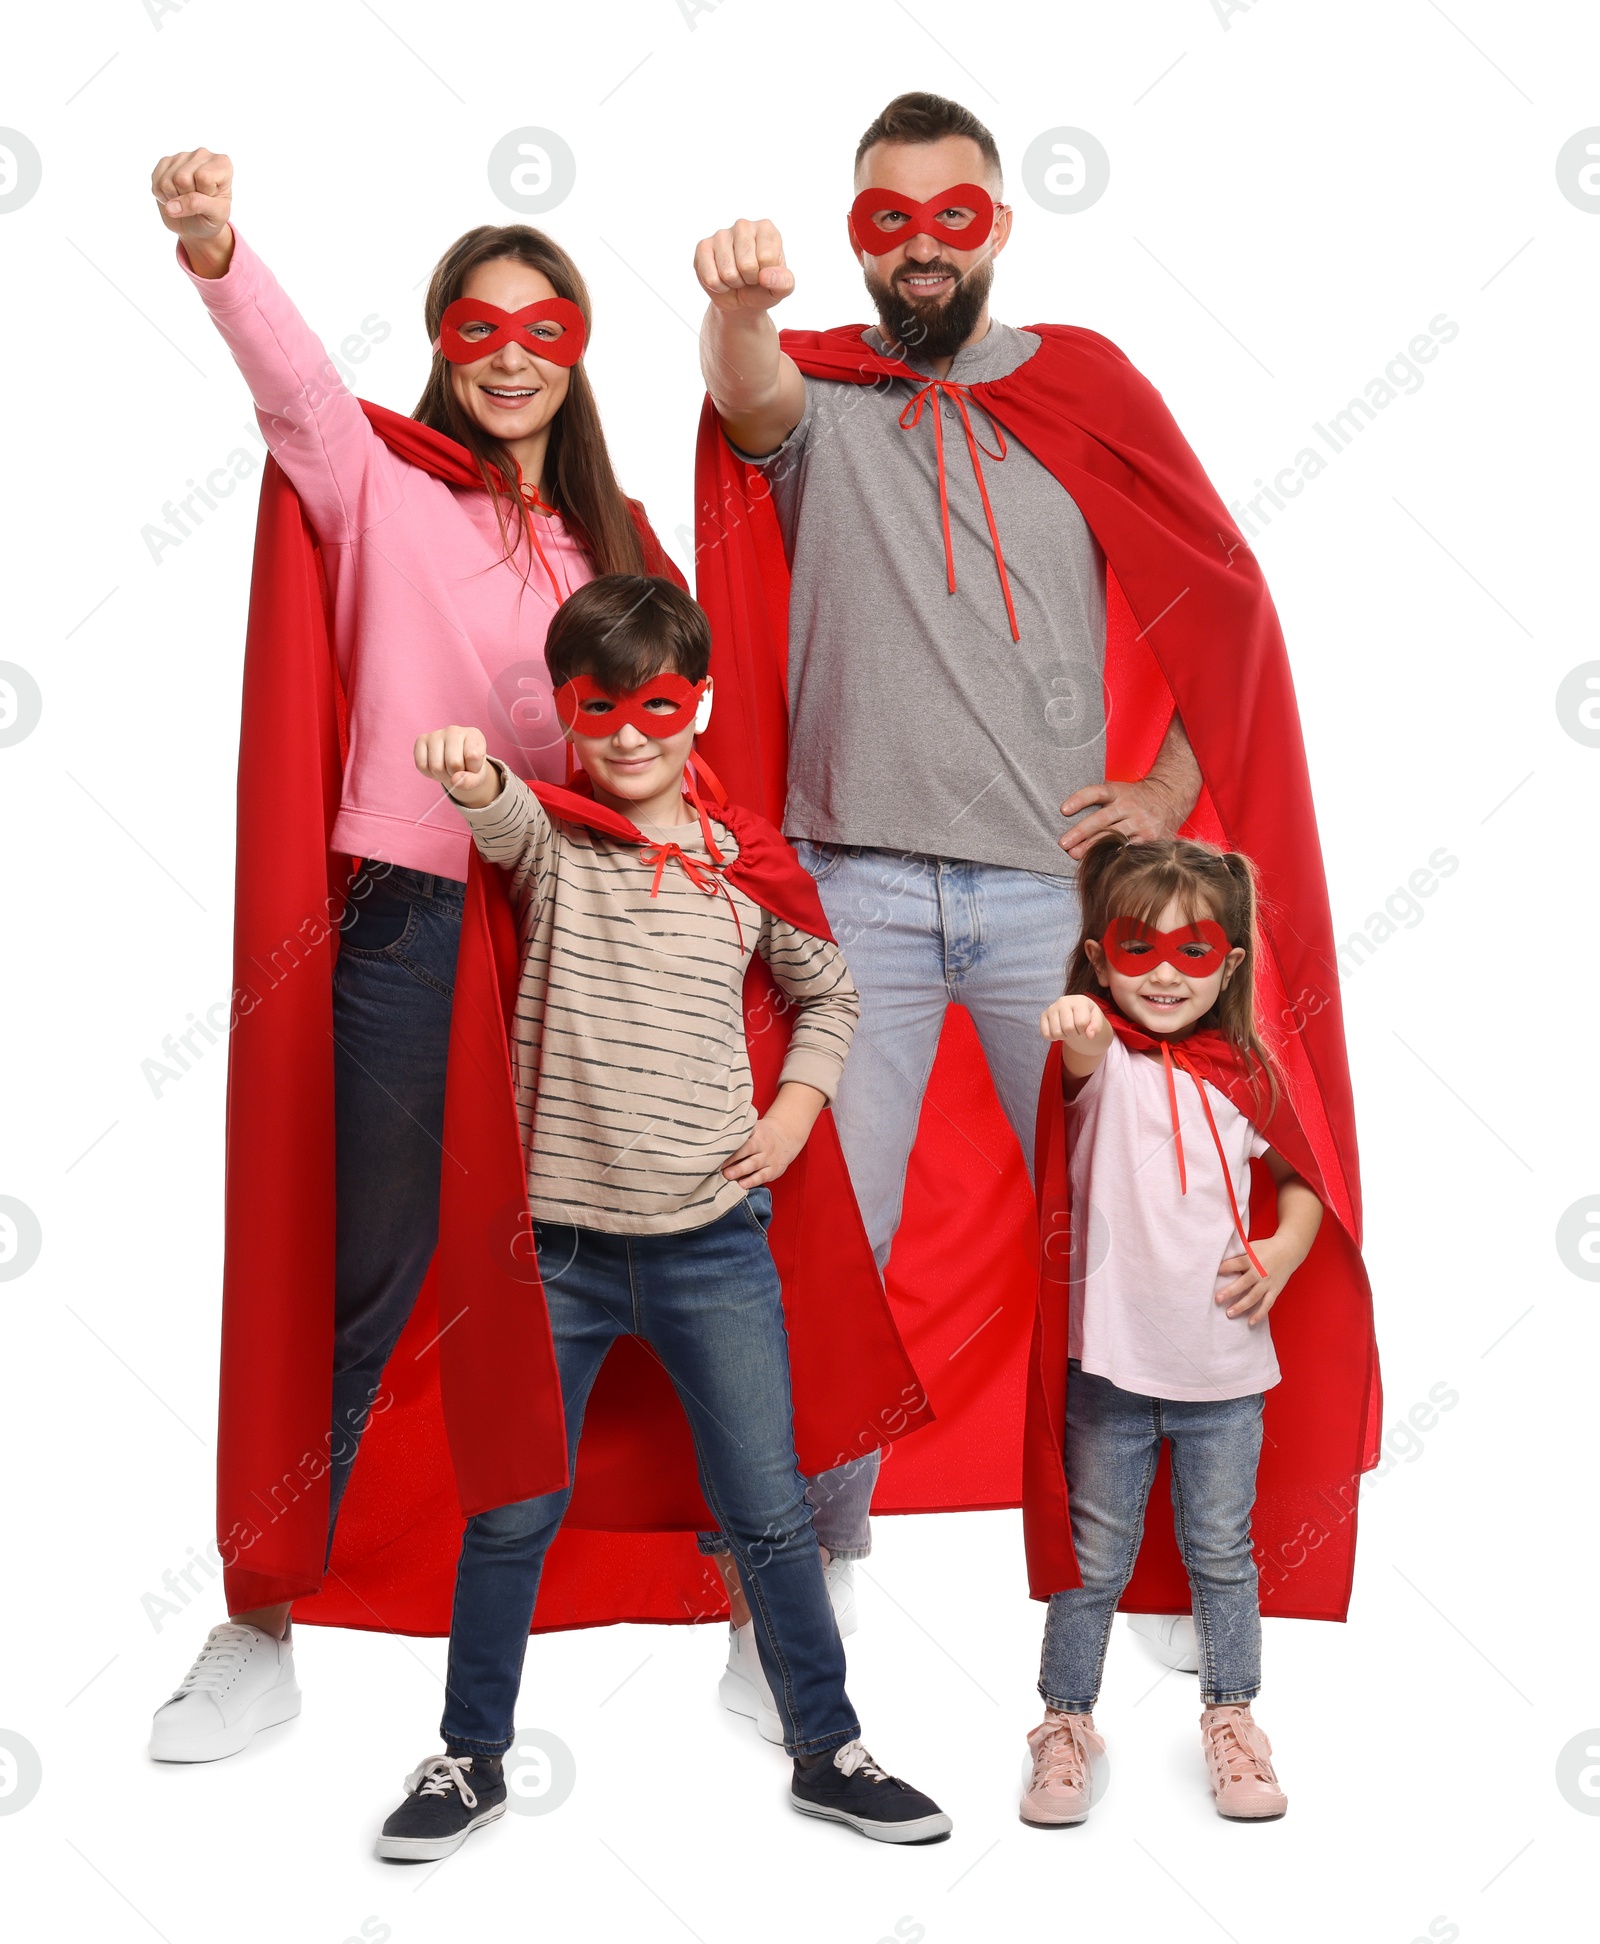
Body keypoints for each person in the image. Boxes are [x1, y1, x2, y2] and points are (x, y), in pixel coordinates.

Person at [690, 87, 1364, 1723]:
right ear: (859, 234)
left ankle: (1168, 1565)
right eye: (886, 217)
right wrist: (736, 306)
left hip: (1047, 908)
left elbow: (1225, 598)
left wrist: (1167, 790)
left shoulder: (1087, 383)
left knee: (1157, 1223)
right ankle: (803, 1567)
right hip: (851, 888)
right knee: (816, 1234)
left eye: (953, 213)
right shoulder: (827, 395)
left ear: (999, 224)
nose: (920, 244)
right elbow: (750, 393)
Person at [143, 148, 681, 1762]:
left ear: (577, 350)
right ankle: (259, 1613)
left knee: (645, 1246)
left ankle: (752, 1586)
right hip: (409, 910)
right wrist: (221, 249)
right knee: (370, 1266)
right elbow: (298, 390)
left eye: (544, 324)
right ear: (446, 345)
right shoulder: (373, 480)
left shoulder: (615, 541)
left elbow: (658, 746)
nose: (510, 350)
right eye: (477, 323)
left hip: (576, 927)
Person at [384, 574, 951, 1857]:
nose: (630, 735)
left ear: (699, 704)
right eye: (600, 709)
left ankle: (827, 1748)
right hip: (562, 1257)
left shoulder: (746, 864)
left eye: (657, 705)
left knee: (766, 1509)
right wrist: (470, 773)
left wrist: (800, 1111)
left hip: (712, 1252)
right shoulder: (560, 842)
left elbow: (833, 990)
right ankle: (469, 1757)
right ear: (568, 715)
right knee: (514, 1504)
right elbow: (498, 818)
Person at [1021, 835, 1321, 1825]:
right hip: (1109, 1369)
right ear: (1102, 957)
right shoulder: (1102, 1060)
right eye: (1133, 949)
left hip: (1223, 1371)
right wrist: (1076, 1024)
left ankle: (1231, 1721)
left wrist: (1279, 1253)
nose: (1159, 974)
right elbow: (1080, 1053)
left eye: (1190, 952)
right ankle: (1065, 1726)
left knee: (1220, 1553)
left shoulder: (1245, 1074)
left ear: (1228, 963)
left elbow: (1306, 1186)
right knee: (1092, 1561)